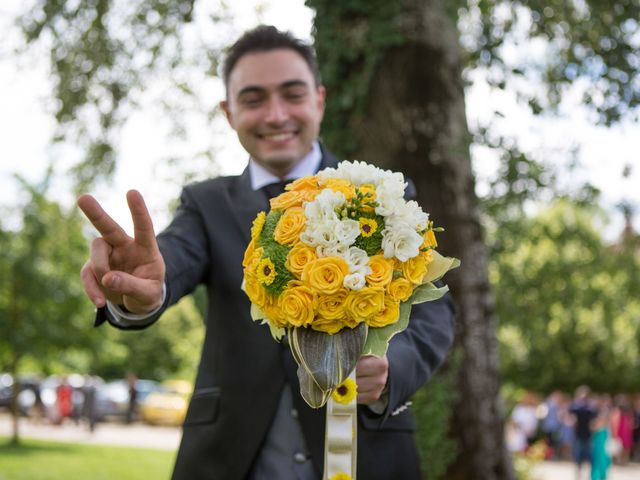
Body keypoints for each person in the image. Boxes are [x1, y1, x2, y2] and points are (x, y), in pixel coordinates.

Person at [77, 25, 455, 480]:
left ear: (319, 99)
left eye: (292, 95)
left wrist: (393, 370)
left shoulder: (381, 196)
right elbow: (173, 257)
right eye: (253, 99)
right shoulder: (206, 203)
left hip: (363, 452)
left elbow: (435, 313)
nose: (275, 115)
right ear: (228, 112)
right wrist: (144, 290)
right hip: (228, 458)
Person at [570, 385, 598, 480]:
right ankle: (578, 474)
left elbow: (595, 418)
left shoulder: (590, 406)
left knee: (589, 456)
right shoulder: (575, 406)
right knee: (578, 455)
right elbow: (569, 417)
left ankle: (589, 474)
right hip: (578, 434)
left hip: (588, 434)